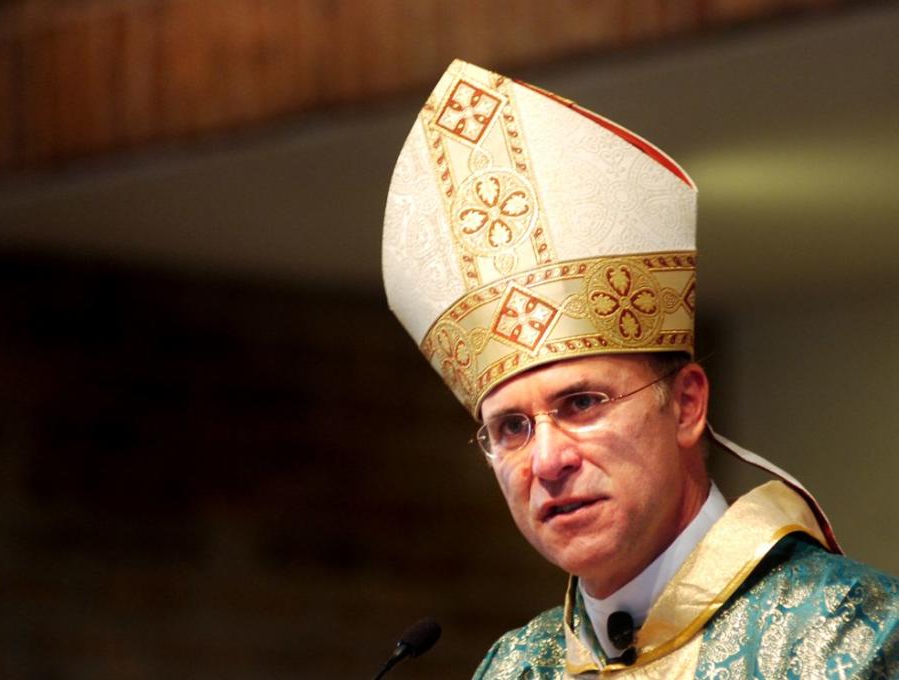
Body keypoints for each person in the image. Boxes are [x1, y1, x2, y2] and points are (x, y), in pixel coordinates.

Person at [382, 59, 899, 678]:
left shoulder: (849, 636)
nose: (547, 462)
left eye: (581, 404)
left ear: (686, 405)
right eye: (511, 428)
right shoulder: (516, 668)